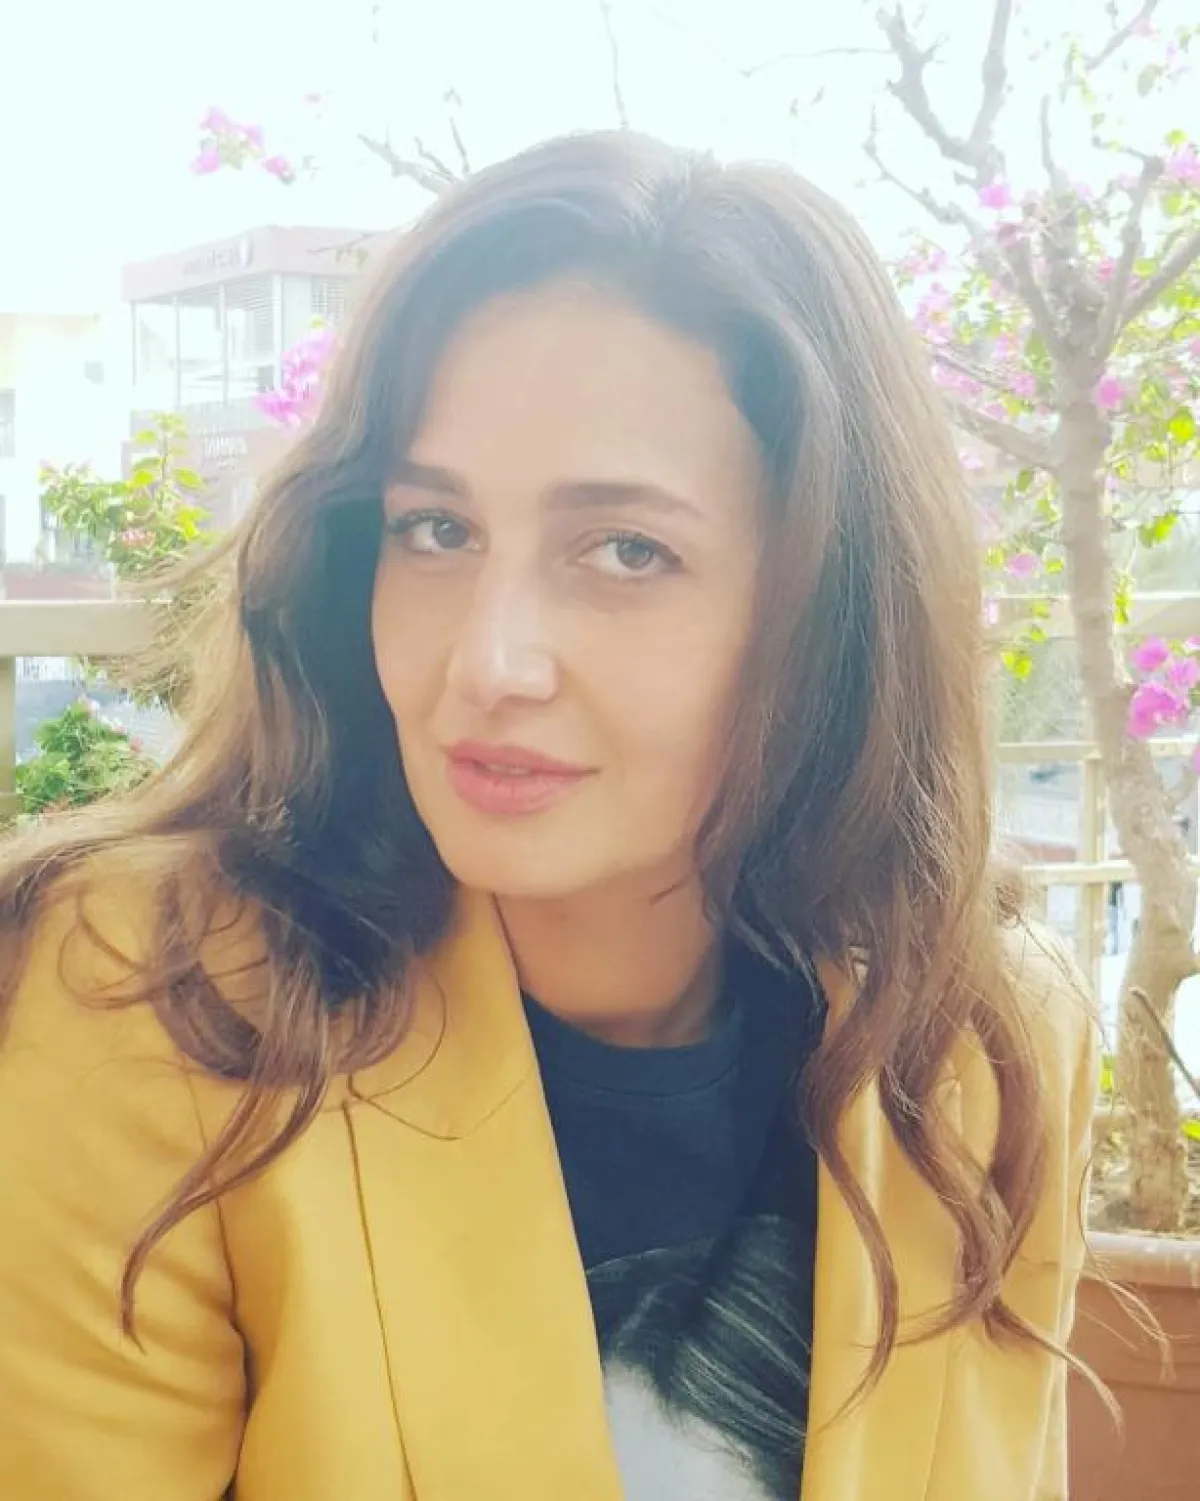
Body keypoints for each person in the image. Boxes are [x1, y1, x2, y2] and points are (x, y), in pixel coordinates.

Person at [0, 131, 1098, 1501]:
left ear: (831, 612)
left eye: (627, 550)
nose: (488, 662)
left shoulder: (982, 1036)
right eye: (435, 530)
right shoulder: (165, 998)